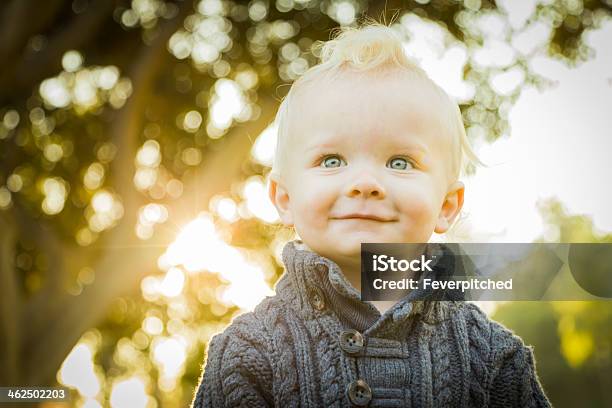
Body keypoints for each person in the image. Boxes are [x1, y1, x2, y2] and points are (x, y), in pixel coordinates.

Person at [191, 21, 552, 408]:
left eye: (400, 162)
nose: (364, 183)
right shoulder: (249, 355)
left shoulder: (495, 359)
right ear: (284, 198)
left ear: (446, 206)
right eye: (332, 160)